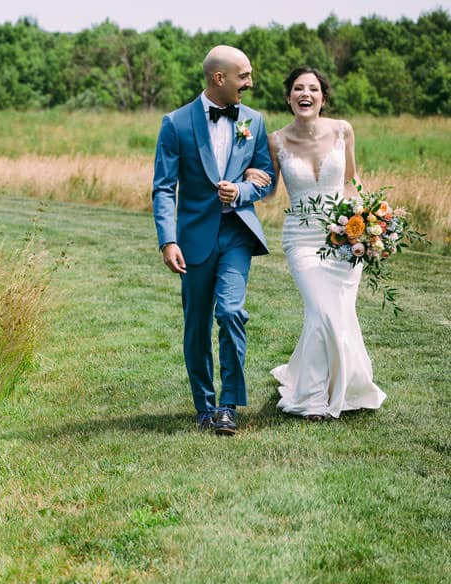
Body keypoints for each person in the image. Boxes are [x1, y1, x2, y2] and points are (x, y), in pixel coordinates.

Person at [245, 68, 386, 420]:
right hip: (302, 240)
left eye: (312, 88)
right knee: (322, 311)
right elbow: (270, 191)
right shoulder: (275, 140)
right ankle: (312, 398)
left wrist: (369, 224)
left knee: (335, 313)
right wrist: (250, 176)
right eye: (297, 88)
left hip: (344, 237)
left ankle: (342, 384)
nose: (304, 94)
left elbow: (352, 181)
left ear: (323, 97)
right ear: (289, 97)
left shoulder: (343, 130)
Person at [152, 45, 276, 436]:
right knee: (196, 324)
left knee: (231, 313)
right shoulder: (176, 123)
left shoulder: (254, 121)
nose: (250, 83)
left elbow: (266, 176)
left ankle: (228, 406)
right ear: (218, 78)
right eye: (244, 76)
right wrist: (167, 240)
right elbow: (163, 188)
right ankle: (204, 405)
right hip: (193, 238)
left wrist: (241, 191)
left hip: (237, 234)